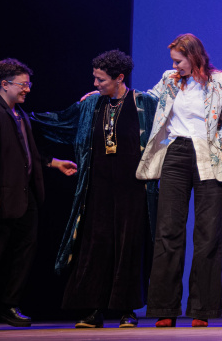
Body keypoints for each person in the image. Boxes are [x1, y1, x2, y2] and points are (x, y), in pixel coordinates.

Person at [29, 50, 159, 328]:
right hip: (98, 186)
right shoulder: (91, 105)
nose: (96, 83)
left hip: (133, 188)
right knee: (96, 246)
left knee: (128, 247)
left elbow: (165, 133)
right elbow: (61, 122)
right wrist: (23, 117)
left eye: (101, 79)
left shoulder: (145, 103)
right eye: (95, 78)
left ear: (119, 77)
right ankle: (93, 310)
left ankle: (127, 310)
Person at [137, 33, 222, 328]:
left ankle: (202, 308)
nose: (174, 66)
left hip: (209, 155)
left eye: (178, 60)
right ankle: (165, 307)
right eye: (173, 61)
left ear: (194, 56)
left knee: (208, 233)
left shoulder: (221, 80)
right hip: (176, 152)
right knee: (169, 230)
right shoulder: (169, 79)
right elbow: (145, 100)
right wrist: (105, 95)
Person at [0, 59, 77, 332]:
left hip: (25, 198)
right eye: (23, 84)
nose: (27, 89)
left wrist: (54, 163)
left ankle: (8, 305)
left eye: (29, 84)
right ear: (5, 85)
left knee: (23, 255)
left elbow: (27, 155)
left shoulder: (19, 115)